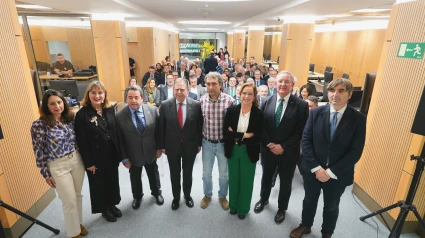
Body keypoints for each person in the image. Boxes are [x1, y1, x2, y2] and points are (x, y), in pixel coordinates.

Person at [290, 78, 366, 238]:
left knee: (331, 206)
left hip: (338, 173)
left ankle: (327, 232)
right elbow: (306, 141)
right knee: (309, 200)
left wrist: (330, 172)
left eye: (341, 91)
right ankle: (306, 225)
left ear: (350, 94)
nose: (335, 95)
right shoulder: (316, 113)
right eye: (332, 90)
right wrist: (317, 169)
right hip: (313, 170)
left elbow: (355, 151)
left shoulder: (358, 119)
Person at [254, 71, 309, 225]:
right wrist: (270, 145)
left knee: (285, 182)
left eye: (287, 82)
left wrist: (282, 146)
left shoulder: (301, 105)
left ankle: (281, 208)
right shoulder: (266, 101)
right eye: (280, 81)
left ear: (292, 85)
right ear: (275, 83)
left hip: (288, 152)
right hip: (268, 150)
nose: (283, 84)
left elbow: (300, 131)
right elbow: (261, 127)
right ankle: (263, 200)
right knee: (266, 177)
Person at [31, 90, 87, 238]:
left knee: (77, 196)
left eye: (59, 102)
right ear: (46, 106)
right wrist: (45, 173)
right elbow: (38, 150)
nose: (57, 106)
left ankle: (78, 224)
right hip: (57, 165)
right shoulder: (39, 125)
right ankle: (73, 232)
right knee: (68, 200)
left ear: (64, 102)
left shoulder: (70, 118)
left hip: (76, 160)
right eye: (52, 103)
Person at [74, 81, 122, 222]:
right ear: (88, 95)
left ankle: (112, 204)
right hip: (95, 157)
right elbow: (81, 141)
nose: (97, 96)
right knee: (99, 184)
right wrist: (89, 162)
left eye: (100, 92)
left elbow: (115, 131)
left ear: (104, 94)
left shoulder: (109, 109)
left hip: (111, 153)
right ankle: (104, 209)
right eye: (93, 92)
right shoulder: (82, 114)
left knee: (112, 180)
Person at [116, 85, 164, 210]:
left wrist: (159, 148)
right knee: (135, 176)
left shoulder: (152, 110)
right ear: (126, 98)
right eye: (130, 97)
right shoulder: (120, 116)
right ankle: (137, 196)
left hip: (151, 151)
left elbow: (158, 132)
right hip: (132, 154)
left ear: (142, 98)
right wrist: (124, 158)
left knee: (153, 173)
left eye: (136, 97)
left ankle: (156, 193)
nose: (133, 100)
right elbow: (119, 139)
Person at [158, 78, 202, 210]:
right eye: (176, 89)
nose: (179, 92)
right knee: (174, 174)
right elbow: (161, 128)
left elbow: (199, 126)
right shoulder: (165, 105)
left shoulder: (196, 105)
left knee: (188, 174)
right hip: (171, 147)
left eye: (182, 89)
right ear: (173, 90)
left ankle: (187, 196)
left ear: (188, 90)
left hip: (190, 146)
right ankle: (176, 198)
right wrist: (162, 146)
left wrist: (199, 144)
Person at [223, 83, 264, 220]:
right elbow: (225, 133)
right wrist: (244, 135)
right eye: (244, 93)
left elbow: (258, 136)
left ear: (254, 96)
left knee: (246, 180)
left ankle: (243, 208)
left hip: (249, 150)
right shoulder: (232, 110)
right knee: (234, 179)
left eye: (250, 94)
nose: (246, 96)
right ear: (239, 94)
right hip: (233, 149)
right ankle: (233, 206)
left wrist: (235, 133)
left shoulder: (259, 114)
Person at [199, 72, 235, 210]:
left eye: (214, 84)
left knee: (223, 174)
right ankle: (207, 195)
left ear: (220, 84)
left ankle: (223, 196)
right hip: (207, 143)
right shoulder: (201, 101)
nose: (211, 87)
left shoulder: (229, 101)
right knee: (206, 173)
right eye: (208, 84)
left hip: (223, 144)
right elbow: (199, 123)